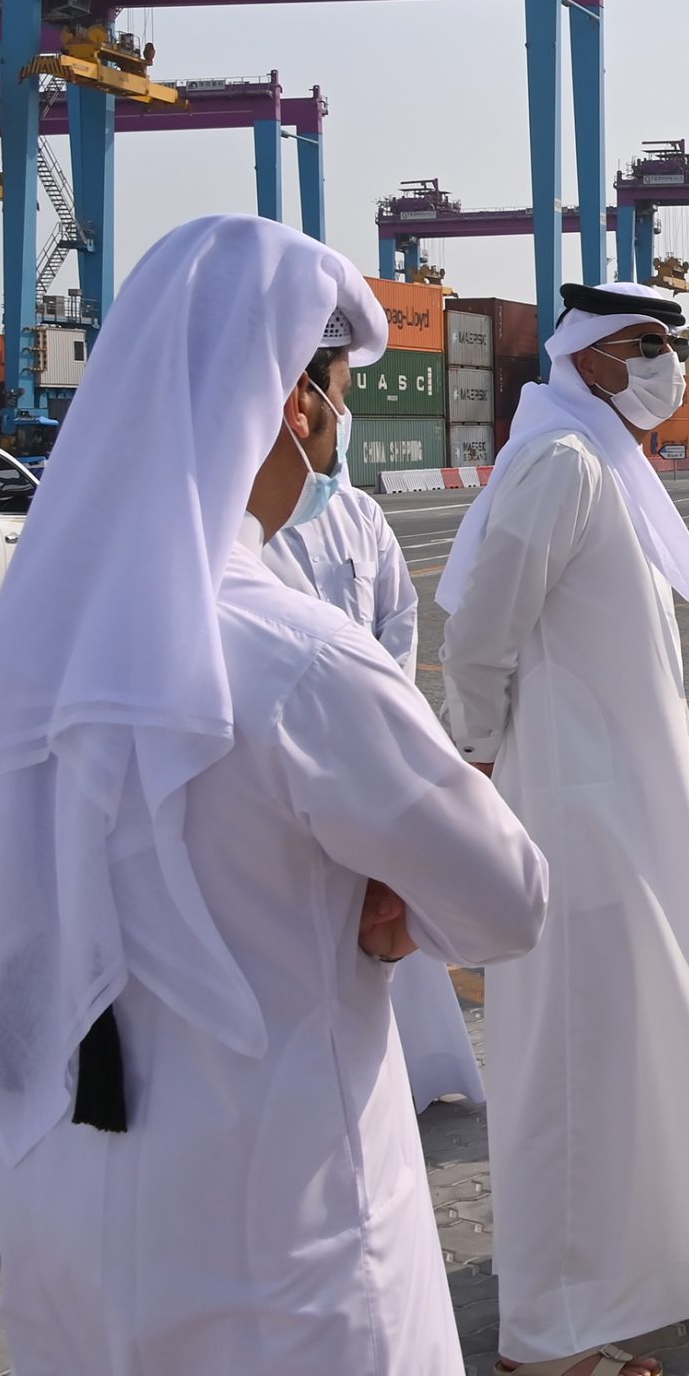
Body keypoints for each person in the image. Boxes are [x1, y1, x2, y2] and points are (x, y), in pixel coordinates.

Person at [0, 215, 549, 1376]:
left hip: (55, 1209)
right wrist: (404, 891)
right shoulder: (301, 657)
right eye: (340, 391)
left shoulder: (24, 652)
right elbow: (505, 898)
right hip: (275, 1220)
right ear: (296, 405)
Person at [438, 282, 689, 1376]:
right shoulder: (562, 464)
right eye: (645, 345)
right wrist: (470, 763)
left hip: (631, 805)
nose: (668, 363)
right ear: (587, 359)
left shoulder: (604, 464)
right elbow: (479, 633)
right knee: (573, 1056)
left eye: (668, 343)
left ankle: (631, 1272)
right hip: (576, 809)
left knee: (633, 1041)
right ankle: (545, 1332)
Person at [269, 452, 488, 1111]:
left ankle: (418, 1078)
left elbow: (399, 617)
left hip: (370, 742)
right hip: (291, 757)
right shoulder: (247, 521)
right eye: (336, 387)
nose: (343, 407)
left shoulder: (359, 512)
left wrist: (372, 708)